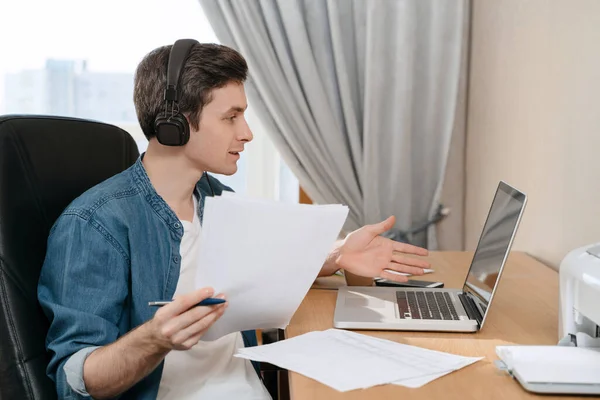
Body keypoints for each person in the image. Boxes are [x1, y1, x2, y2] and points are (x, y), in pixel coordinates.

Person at [38, 40, 430, 400]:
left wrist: (337, 256)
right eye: (231, 118)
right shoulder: (94, 224)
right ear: (173, 125)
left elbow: (267, 269)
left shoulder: (216, 199)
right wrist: (154, 338)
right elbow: (75, 381)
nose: (247, 133)